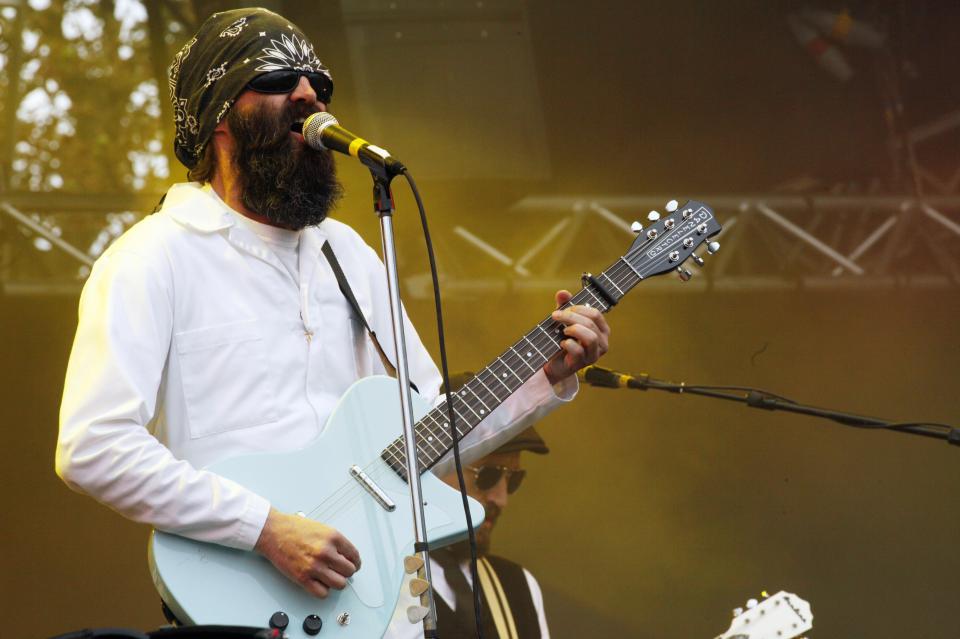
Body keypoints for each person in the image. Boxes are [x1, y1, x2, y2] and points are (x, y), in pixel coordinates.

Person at [55, 6, 609, 632]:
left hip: (376, 598)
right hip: (242, 604)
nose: (309, 95)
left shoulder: (346, 253)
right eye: (278, 80)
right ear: (219, 116)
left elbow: (427, 427)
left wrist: (546, 377)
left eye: (318, 84)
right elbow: (92, 447)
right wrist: (265, 529)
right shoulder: (153, 257)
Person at [388, 425, 555, 638]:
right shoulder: (373, 587)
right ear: (434, 471)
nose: (502, 499)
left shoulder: (518, 586)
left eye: (513, 479)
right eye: (489, 475)